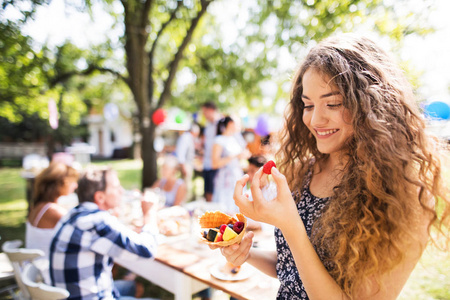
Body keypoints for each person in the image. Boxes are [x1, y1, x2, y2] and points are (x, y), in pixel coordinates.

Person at [212, 34, 449, 300]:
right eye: (308, 105)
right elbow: (293, 268)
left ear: (372, 105)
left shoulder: (405, 196)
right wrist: (247, 254)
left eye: (333, 103)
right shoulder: (305, 171)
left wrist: (291, 225)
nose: (315, 119)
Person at [49, 166, 159, 300]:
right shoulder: (97, 222)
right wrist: (149, 214)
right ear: (100, 197)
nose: (122, 191)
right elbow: (147, 250)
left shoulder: (73, 214)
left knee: (132, 286)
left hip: (72, 294)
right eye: (116, 187)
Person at [25, 162, 79, 283]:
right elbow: (80, 230)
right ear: (62, 183)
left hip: (37, 269)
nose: (75, 186)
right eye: (73, 181)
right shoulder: (52, 211)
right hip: (47, 274)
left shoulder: (39, 206)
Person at [211, 116, 250, 214]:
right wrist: (234, 156)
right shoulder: (219, 140)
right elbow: (215, 163)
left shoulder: (234, 138)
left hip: (236, 176)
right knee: (225, 209)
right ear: (230, 124)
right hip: (225, 179)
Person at [201, 101, 221, 202]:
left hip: (217, 165)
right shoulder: (208, 126)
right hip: (207, 164)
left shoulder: (221, 124)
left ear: (211, 110)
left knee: (215, 192)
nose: (204, 115)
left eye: (205, 112)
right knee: (207, 191)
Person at [175, 123, 200, 200]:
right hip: (185, 165)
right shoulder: (186, 138)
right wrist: (183, 167)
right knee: (185, 186)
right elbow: (181, 154)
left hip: (187, 164)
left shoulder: (188, 138)